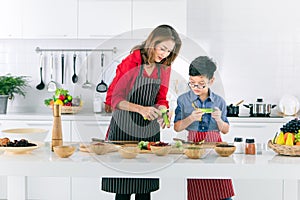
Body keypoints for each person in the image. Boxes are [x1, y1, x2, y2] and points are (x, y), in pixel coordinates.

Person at [102, 24, 182, 200]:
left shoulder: (164, 68)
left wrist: (163, 111)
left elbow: (161, 99)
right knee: (123, 187)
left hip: (148, 132)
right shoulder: (132, 61)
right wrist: (141, 109)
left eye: (169, 51)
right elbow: (114, 99)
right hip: (124, 128)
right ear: (153, 42)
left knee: (144, 188)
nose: (165, 54)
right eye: (163, 48)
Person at [173, 56, 235, 200]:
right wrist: (191, 118)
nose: (196, 87)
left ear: (211, 81)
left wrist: (219, 119)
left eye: (201, 84)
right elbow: (177, 127)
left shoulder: (219, 101)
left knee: (222, 190)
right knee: (198, 192)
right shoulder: (183, 100)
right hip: (194, 150)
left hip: (215, 147)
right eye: (192, 83)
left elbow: (225, 129)